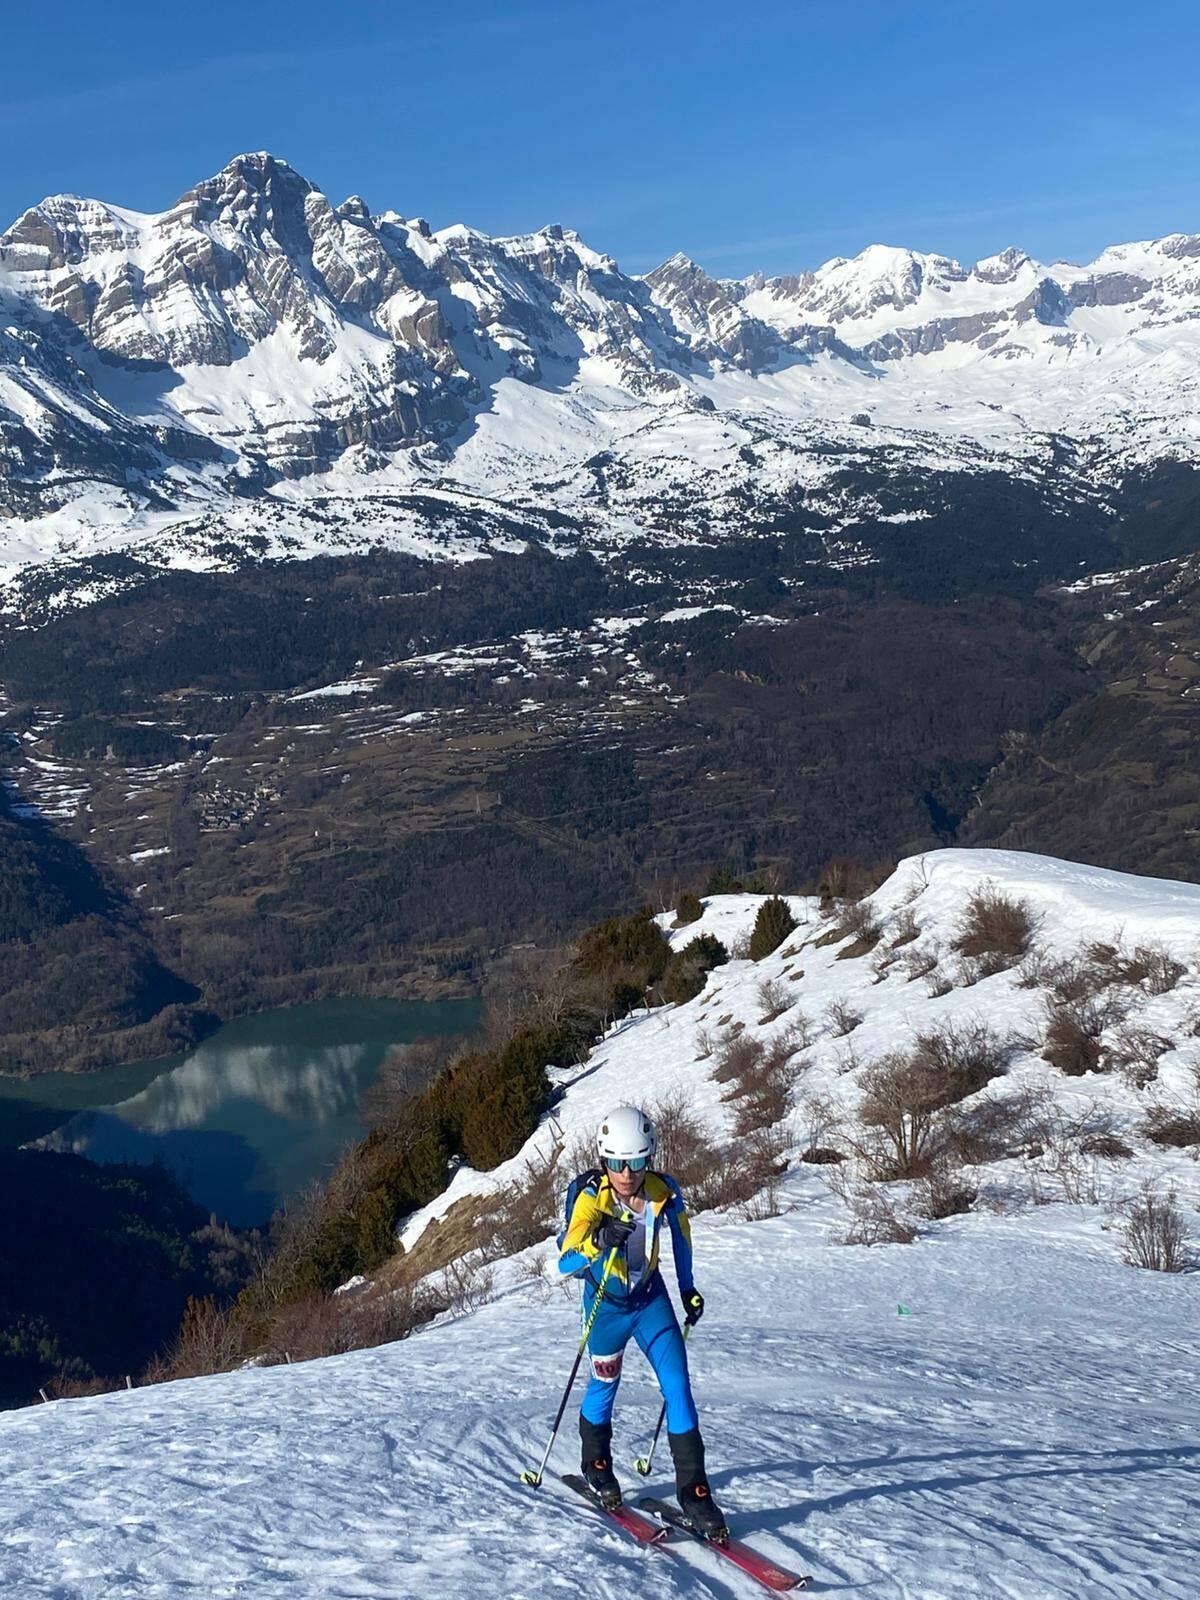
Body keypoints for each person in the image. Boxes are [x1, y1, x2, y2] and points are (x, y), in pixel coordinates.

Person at [557, 1103, 727, 1539]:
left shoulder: (662, 1190)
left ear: (648, 1157)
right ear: (604, 1161)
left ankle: (695, 1495)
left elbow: (682, 1238)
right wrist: (598, 1240)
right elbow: (564, 1262)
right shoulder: (591, 1197)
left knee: (678, 1386)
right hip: (606, 1306)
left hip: (651, 1301)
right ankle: (597, 1464)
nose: (626, 1173)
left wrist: (687, 1287)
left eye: (635, 1162)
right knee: (605, 1384)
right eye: (617, 1163)